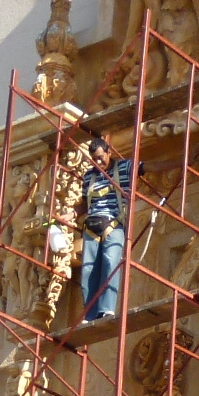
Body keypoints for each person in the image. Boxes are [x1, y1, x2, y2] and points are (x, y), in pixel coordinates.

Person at [77, 135, 132, 323]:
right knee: (88, 269)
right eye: (94, 158)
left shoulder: (123, 168)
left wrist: (182, 164)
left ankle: (106, 308)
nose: (98, 161)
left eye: (101, 157)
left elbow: (147, 167)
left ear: (109, 152)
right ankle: (90, 312)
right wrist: (68, 216)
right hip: (92, 224)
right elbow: (85, 204)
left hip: (113, 223)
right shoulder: (89, 176)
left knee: (111, 263)